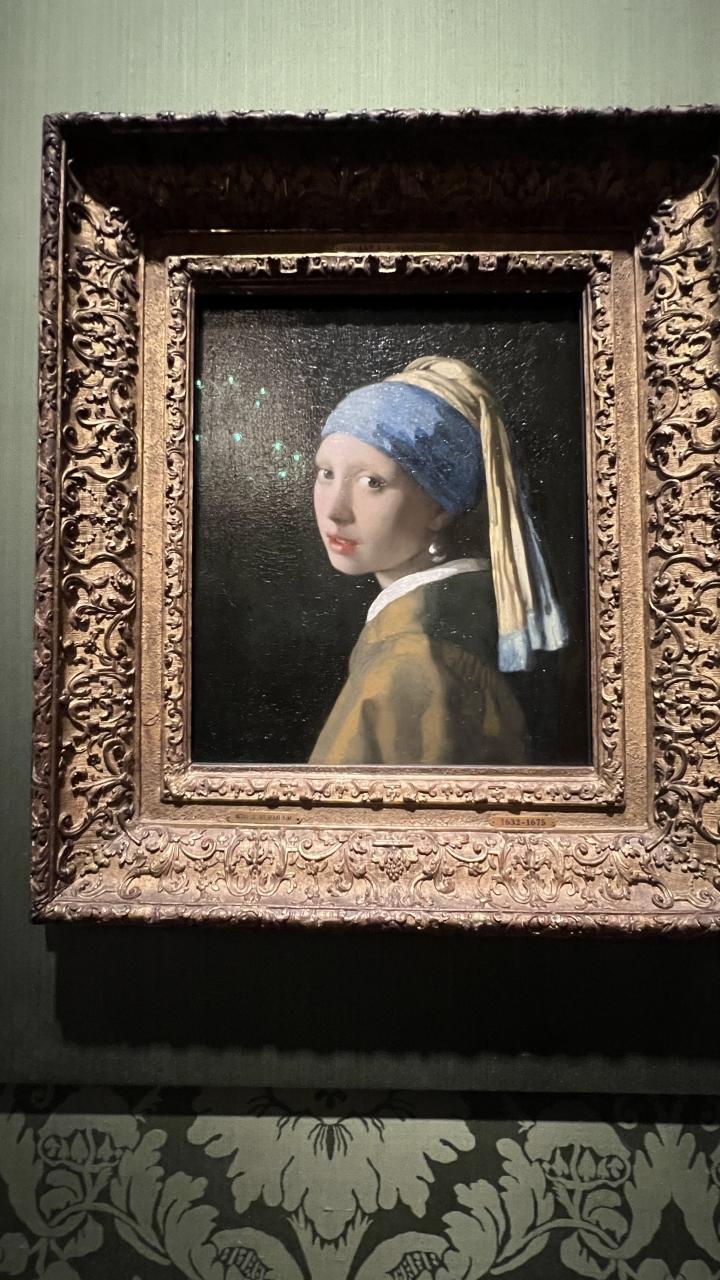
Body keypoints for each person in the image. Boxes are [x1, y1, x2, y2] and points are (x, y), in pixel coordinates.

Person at [309, 356, 567, 766]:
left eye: (372, 482)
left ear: (441, 507)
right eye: (326, 473)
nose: (335, 510)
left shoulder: (413, 658)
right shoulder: (470, 610)